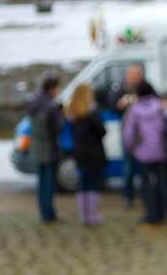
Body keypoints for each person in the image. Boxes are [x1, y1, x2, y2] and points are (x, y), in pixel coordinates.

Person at [123, 81, 167, 225]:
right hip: (160, 151)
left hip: (143, 152)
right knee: (160, 182)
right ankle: (162, 213)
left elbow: (129, 131)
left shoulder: (135, 109)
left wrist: (129, 147)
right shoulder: (159, 106)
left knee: (146, 184)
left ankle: (151, 214)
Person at [67, 84, 107, 225]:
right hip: (93, 152)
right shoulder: (92, 113)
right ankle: (92, 215)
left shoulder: (72, 112)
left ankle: (84, 215)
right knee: (92, 184)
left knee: (83, 184)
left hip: (80, 152)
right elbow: (102, 132)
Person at [27, 73, 63, 223]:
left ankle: (43, 212)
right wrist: (61, 112)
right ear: (52, 88)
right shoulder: (51, 106)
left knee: (41, 182)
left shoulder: (34, 103)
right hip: (49, 148)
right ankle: (49, 214)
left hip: (37, 147)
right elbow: (58, 127)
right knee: (49, 183)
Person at [111, 64, 144, 209]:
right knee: (128, 168)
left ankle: (145, 196)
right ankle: (128, 197)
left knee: (144, 167)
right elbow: (111, 104)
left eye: (135, 75)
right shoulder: (120, 89)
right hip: (127, 133)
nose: (132, 78)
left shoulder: (145, 88)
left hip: (144, 134)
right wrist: (119, 104)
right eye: (130, 75)